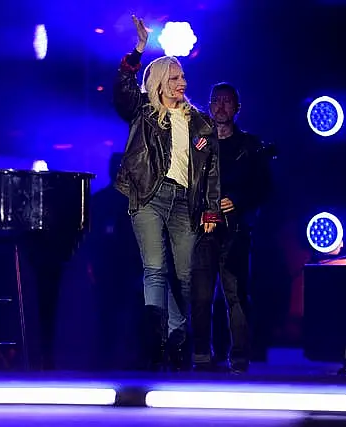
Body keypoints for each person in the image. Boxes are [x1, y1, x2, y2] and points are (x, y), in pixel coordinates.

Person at [113, 16, 221, 372]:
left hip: (184, 203)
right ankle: (159, 343)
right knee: (155, 270)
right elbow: (122, 89)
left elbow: (211, 171)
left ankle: (178, 332)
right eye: (174, 78)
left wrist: (210, 210)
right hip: (149, 195)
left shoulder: (201, 122)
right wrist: (139, 48)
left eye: (183, 78)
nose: (181, 83)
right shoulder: (143, 112)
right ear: (159, 81)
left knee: (189, 275)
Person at [191, 82, 272, 373]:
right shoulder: (197, 145)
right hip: (202, 230)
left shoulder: (250, 147)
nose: (221, 107)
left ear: (237, 107)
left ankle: (238, 355)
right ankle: (201, 353)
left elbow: (264, 188)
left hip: (235, 232)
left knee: (236, 295)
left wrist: (237, 200)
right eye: (216, 101)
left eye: (227, 101)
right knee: (200, 296)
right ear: (209, 105)